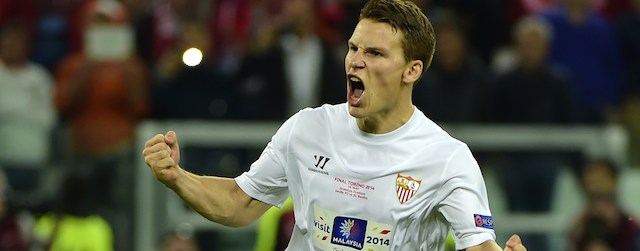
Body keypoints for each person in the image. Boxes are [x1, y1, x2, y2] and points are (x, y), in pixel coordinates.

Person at [143, 0, 527, 250]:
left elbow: (478, 245)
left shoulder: (446, 159)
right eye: (353, 47)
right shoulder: (307, 129)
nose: (355, 61)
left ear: (412, 70)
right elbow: (240, 203)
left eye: (374, 53)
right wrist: (177, 177)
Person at [568, 159, 640, 251]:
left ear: (614, 181)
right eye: (590, 180)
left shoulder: (631, 227)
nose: (595, 185)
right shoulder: (578, 226)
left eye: (600, 179)